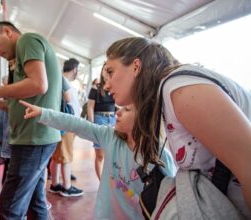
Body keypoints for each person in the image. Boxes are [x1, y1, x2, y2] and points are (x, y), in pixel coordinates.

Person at [104, 37, 251, 217]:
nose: (106, 84)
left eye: (110, 72)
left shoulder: (180, 91)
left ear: (135, 66)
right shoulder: (167, 95)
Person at [19, 100, 176, 219]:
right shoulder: (111, 137)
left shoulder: (161, 158)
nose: (117, 113)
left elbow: (170, 202)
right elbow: (78, 124)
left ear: (145, 118)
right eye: (120, 108)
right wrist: (44, 114)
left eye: (126, 110)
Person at [0, 21, 61, 219]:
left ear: (8, 32)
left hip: (33, 138)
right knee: (35, 202)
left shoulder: (27, 40)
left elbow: (39, 84)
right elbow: (26, 102)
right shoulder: (20, 55)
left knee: (8, 208)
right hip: (35, 136)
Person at [48, 60, 83, 197]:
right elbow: (69, 100)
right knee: (66, 156)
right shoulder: (63, 81)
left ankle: (55, 184)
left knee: (57, 156)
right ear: (75, 69)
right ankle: (66, 186)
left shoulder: (58, 79)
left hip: (60, 123)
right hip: (67, 123)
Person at [87, 63, 116, 180]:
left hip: (113, 120)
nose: (107, 72)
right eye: (105, 69)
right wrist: (91, 126)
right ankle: (101, 182)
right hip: (99, 119)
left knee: (112, 154)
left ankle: (111, 182)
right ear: (102, 71)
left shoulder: (115, 85)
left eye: (110, 70)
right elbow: (90, 107)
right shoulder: (96, 87)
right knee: (100, 155)